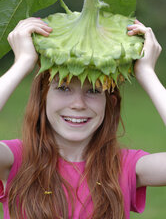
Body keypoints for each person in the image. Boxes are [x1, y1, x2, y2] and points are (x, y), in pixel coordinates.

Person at [0, 17, 165, 219]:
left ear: (110, 103)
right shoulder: (16, 159)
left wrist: (147, 73)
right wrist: (23, 63)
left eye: (94, 91)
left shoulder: (124, 167)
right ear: (43, 98)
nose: (78, 104)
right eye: (63, 88)